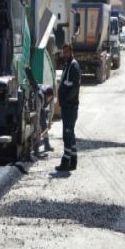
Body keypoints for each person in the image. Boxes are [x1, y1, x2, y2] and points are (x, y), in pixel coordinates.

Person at [56, 43, 81, 172]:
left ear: (71, 52)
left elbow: (74, 88)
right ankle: (73, 160)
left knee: (67, 134)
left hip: (70, 107)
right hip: (67, 107)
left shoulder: (74, 66)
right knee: (70, 133)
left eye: (67, 52)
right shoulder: (67, 65)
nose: (65, 54)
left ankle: (66, 161)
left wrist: (65, 100)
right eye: (63, 52)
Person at [36, 85, 54, 153]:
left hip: (41, 108)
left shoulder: (51, 95)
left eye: (50, 98)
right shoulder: (40, 96)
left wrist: (50, 122)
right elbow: (37, 115)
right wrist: (37, 129)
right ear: (46, 95)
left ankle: (47, 145)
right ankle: (35, 148)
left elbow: (51, 110)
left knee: (44, 125)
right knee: (36, 127)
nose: (49, 100)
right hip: (35, 106)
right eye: (48, 98)